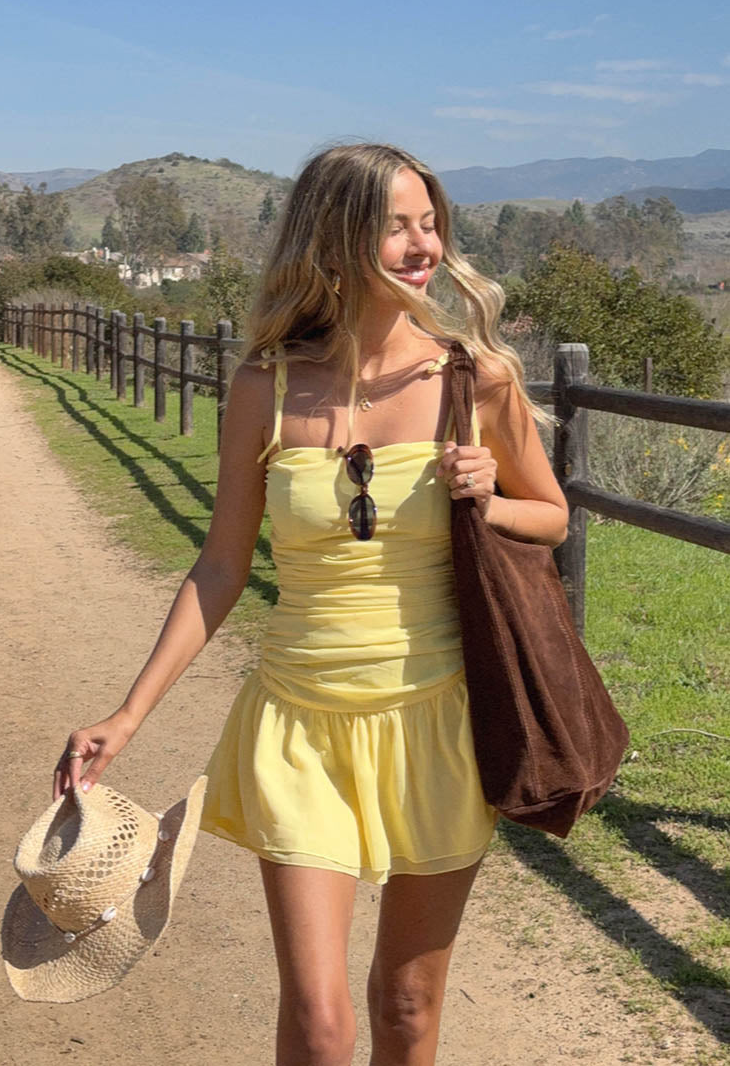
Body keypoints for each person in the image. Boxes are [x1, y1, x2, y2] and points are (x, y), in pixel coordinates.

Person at [54, 143, 569, 1066]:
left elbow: (553, 519)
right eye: (396, 226)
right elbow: (219, 567)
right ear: (334, 242)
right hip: (297, 724)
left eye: (430, 221)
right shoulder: (266, 386)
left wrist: (488, 496)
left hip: (439, 720)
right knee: (320, 1023)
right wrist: (128, 715)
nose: (425, 245)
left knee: (407, 1005)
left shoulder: (473, 379)